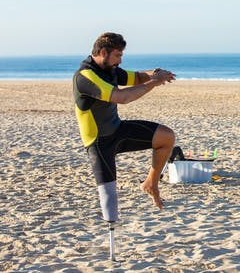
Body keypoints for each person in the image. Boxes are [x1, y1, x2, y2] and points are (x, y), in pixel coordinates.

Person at [73, 32, 176, 222]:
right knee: (110, 203)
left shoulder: (109, 69)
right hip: (98, 143)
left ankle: (151, 184)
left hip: (117, 130)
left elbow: (136, 77)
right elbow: (122, 97)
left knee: (167, 137)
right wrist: (154, 82)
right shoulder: (86, 76)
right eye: (118, 56)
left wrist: (155, 74)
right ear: (103, 52)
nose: (120, 61)